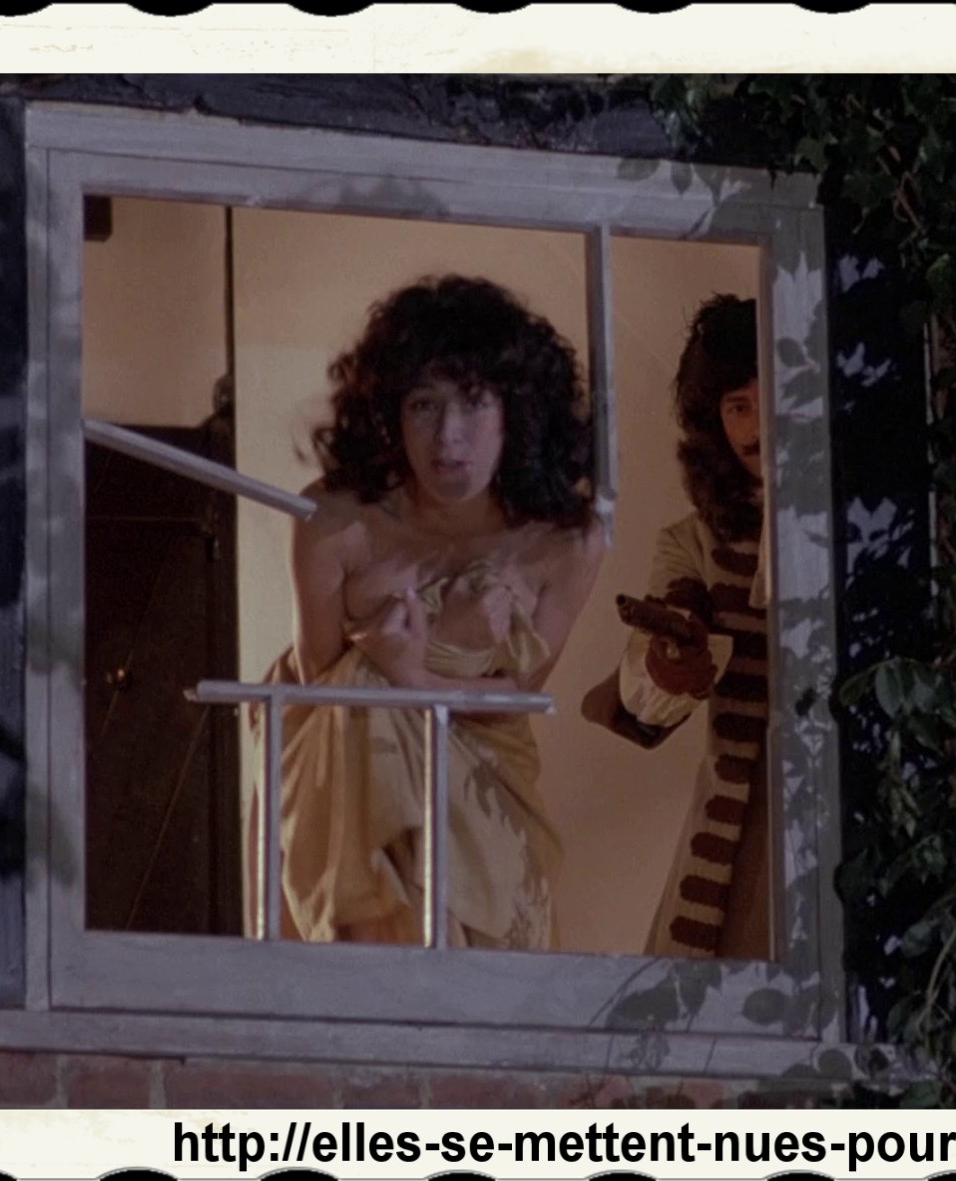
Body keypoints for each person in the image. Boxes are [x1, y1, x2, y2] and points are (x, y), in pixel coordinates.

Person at [245, 275, 607, 951]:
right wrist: (428, 654)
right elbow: (319, 687)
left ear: (516, 409)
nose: (448, 436)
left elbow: (518, 697)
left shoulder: (567, 541)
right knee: (353, 732)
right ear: (391, 413)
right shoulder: (333, 520)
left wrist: (413, 671)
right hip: (343, 792)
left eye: (473, 402)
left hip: (488, 797)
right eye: (423, 404)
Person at [585, 294, 773, 960]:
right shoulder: (692, 543)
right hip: (745, 823)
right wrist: (671, 660)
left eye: (771, 399)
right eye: (737, 406)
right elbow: (649, 679)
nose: (757, 427)